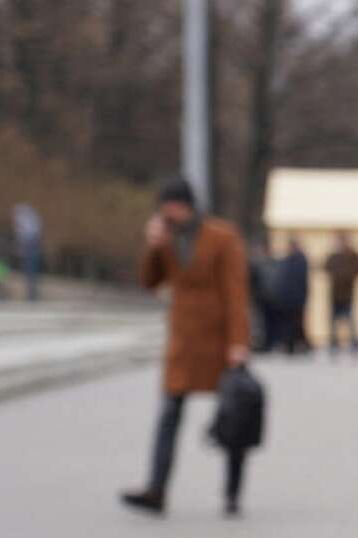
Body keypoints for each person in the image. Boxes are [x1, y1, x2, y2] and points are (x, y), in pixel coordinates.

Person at [120, 177, 251, 518]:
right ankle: (156, 490)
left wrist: (239, 343)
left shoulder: (223, 236)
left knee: (234, 417)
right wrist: (151, 245)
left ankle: (232, 493)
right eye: (164, 210)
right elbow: (150, 282)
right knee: (168, 414)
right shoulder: (165, 239)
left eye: (173, 208)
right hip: (182, 342)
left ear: (189, 206)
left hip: (218, 341)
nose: (169, 215)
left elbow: (236, 293)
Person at [323, 233, 358, 357]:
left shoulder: (353, 256)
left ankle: (355, 346)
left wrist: (349, 275)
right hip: (335, 295)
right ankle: (334, 346)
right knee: (333, 324)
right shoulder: (334, 257)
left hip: (348, 295)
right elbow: (325, 267)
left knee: (351, 322)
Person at [273, 239, 311, 354]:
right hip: (288, 298)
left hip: (296, 298)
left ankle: (297, 345)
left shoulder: (299, 260)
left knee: (295, 323)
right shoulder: (288, 260)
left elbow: (300, 281)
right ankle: (292, 345)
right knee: (290, 323)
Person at [12, 203, 43, 301]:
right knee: (30, 270)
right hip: (31, 244)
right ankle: (31, 292)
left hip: (31, 244)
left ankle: (32, 293)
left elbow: (24, 234)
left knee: (31, 269)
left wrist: (22, 246)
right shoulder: (30, 218)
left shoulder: (24, 219)